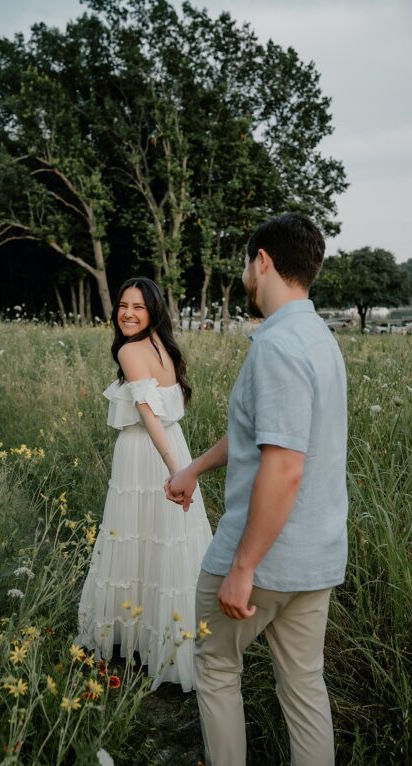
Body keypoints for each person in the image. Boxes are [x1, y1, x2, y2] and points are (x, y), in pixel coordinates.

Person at [165, 213, 347, 766]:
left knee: (217, 670)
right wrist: (195, 467)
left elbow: (284, 467)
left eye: (248, 263)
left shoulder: (276, 347)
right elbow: (262, 436)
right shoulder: (321, 340)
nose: (246, 273)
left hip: (261, 558)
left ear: (261, 261)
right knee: (305, 688)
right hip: (316, 558)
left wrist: (243, 568)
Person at [77, 276, 213, 692]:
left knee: (136, 537)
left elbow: (148, 415)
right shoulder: (163, 348)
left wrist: (174, 470)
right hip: (175, 445)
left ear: (153, 310)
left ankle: (143, 639)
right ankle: (162, 637)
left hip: (149, 452)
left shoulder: (131, 349)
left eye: (138, 306)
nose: (128, 313)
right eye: (123, 306)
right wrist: (181, 463)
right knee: (159, 541)